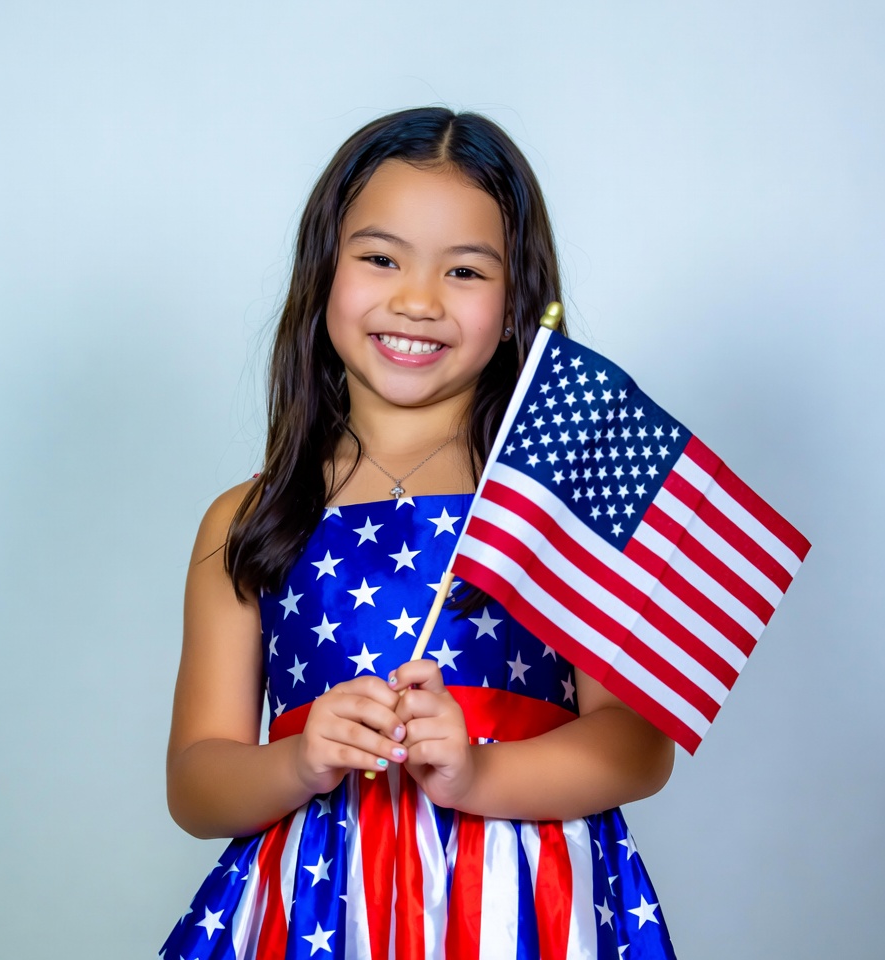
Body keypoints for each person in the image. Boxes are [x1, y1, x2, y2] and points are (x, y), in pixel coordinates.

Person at [161, 107, 678, 959]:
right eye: (379, 258)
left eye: (466, 271)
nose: (416, 299)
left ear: (516, 302)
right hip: (318, 917)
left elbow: (637, 743)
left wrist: (481, 774)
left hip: (524, 909)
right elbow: (195, 781)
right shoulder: (247, 519)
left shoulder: (555, 497)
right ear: (323, 271)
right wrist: (298, 763)